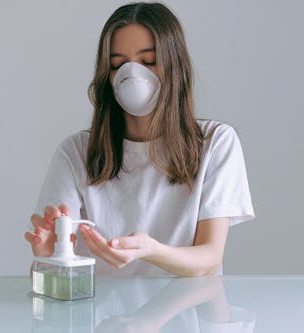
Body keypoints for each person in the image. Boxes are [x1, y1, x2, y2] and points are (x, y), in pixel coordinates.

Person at [24, 2, 254, 277]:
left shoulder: (215, 142)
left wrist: (151, 251)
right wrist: (50, 257)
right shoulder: (76, 152)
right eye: (118, 64)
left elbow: (210, 256)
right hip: (100, 317)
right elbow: (52, 275)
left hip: (188, 316)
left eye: (148, 62)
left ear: (174, 66)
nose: (132, 75)